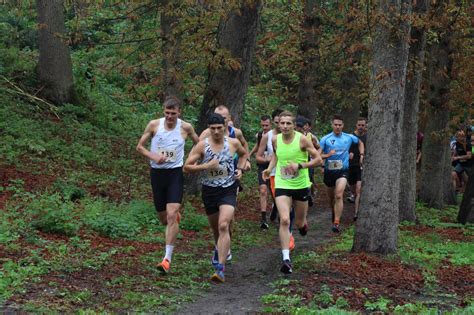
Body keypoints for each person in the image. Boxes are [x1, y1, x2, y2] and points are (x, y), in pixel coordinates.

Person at [136, 96, 199, 274]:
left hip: (175, 174)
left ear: (180, 112)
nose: (170, 116)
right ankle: (173, 220)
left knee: (172, 214)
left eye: (173, 113)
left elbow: (199, 143)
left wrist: (190, 159)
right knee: (164, 218)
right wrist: (153, 156)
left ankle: (167, 259)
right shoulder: (154, 125)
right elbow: (140, 147)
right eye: (167, 113)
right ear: (163, 111)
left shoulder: (186, 127)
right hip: (157, 174)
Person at [184, 113, 247, 283]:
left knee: (224, 224)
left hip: (228, 188)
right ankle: (219, 249)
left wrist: (240, 169)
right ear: (209, 129)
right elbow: (186, 167)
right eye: (213, 129)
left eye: (219, 128)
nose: (217, 131)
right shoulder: (202, 146)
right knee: (215, 229)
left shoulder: (233, 143)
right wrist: (206, 165)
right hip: (209, 190)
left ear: (224, 128)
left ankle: (220, 268)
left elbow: (244, 154)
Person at [263, 111, 322, 274]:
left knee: (299, 223)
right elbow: (276, 155)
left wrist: (300, 166)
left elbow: (318, 159)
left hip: (301, 184)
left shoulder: (302, 140)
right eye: (282, 123)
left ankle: (303, 226)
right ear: (278, 124)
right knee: (284, 219)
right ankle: (286, 259)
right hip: (283, 182)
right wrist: (269, 169)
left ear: (294, 125)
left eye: (289, 123)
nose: (285, 126)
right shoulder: (275, 139)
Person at [320, 114, 363, 233]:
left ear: (343, 125)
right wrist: (327, 155)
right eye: (335, 125)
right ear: (332, 125)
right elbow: (318, 155)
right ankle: (333, 212)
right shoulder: (325, 139)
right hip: (329, 172)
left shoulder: (349, 137)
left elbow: (360, 143)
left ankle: (337, 223)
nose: (338, 127)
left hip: (343, 171)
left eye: (340, 125)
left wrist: (362, 155)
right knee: (331, 198)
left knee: (339, 194)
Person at [249, 115, 272, 229]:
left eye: (266, 125)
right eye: (263, 125)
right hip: (262, 165)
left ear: (271, 124)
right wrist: (250, 154)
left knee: (274, 191)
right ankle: (263, 218)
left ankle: (276, 208)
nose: (264, 127)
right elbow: (258, 146)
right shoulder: (259, 135)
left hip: (274, 166)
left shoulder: (276, 136)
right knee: (263, 190)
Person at [348, 118, 367, 221]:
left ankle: (356, 213)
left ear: (366, 126)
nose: (361, 127)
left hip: (361, 165)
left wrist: (363, 157)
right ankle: (352, 195)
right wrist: (348, 154)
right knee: (353, 187)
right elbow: (345, 147)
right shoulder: (351, 136)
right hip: (351, 165)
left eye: (363, 125)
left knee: (358, 189)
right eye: (359, 125)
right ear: (356, 125)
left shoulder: (367, 136)